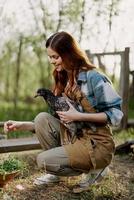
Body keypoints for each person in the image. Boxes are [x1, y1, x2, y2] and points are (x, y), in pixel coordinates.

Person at [4, 31, 123, 193]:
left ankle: (98, 169)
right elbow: (58, 120)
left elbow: (116, 115)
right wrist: (22, 125)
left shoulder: (94, 78)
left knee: (43, 160)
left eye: (55, 57)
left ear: (69, 53)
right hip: (76, 137)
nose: (52, 61)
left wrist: (78, 116)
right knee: (41, 118)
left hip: (97, 143)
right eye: (50, 57)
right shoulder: (63, 78)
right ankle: (56, 173)